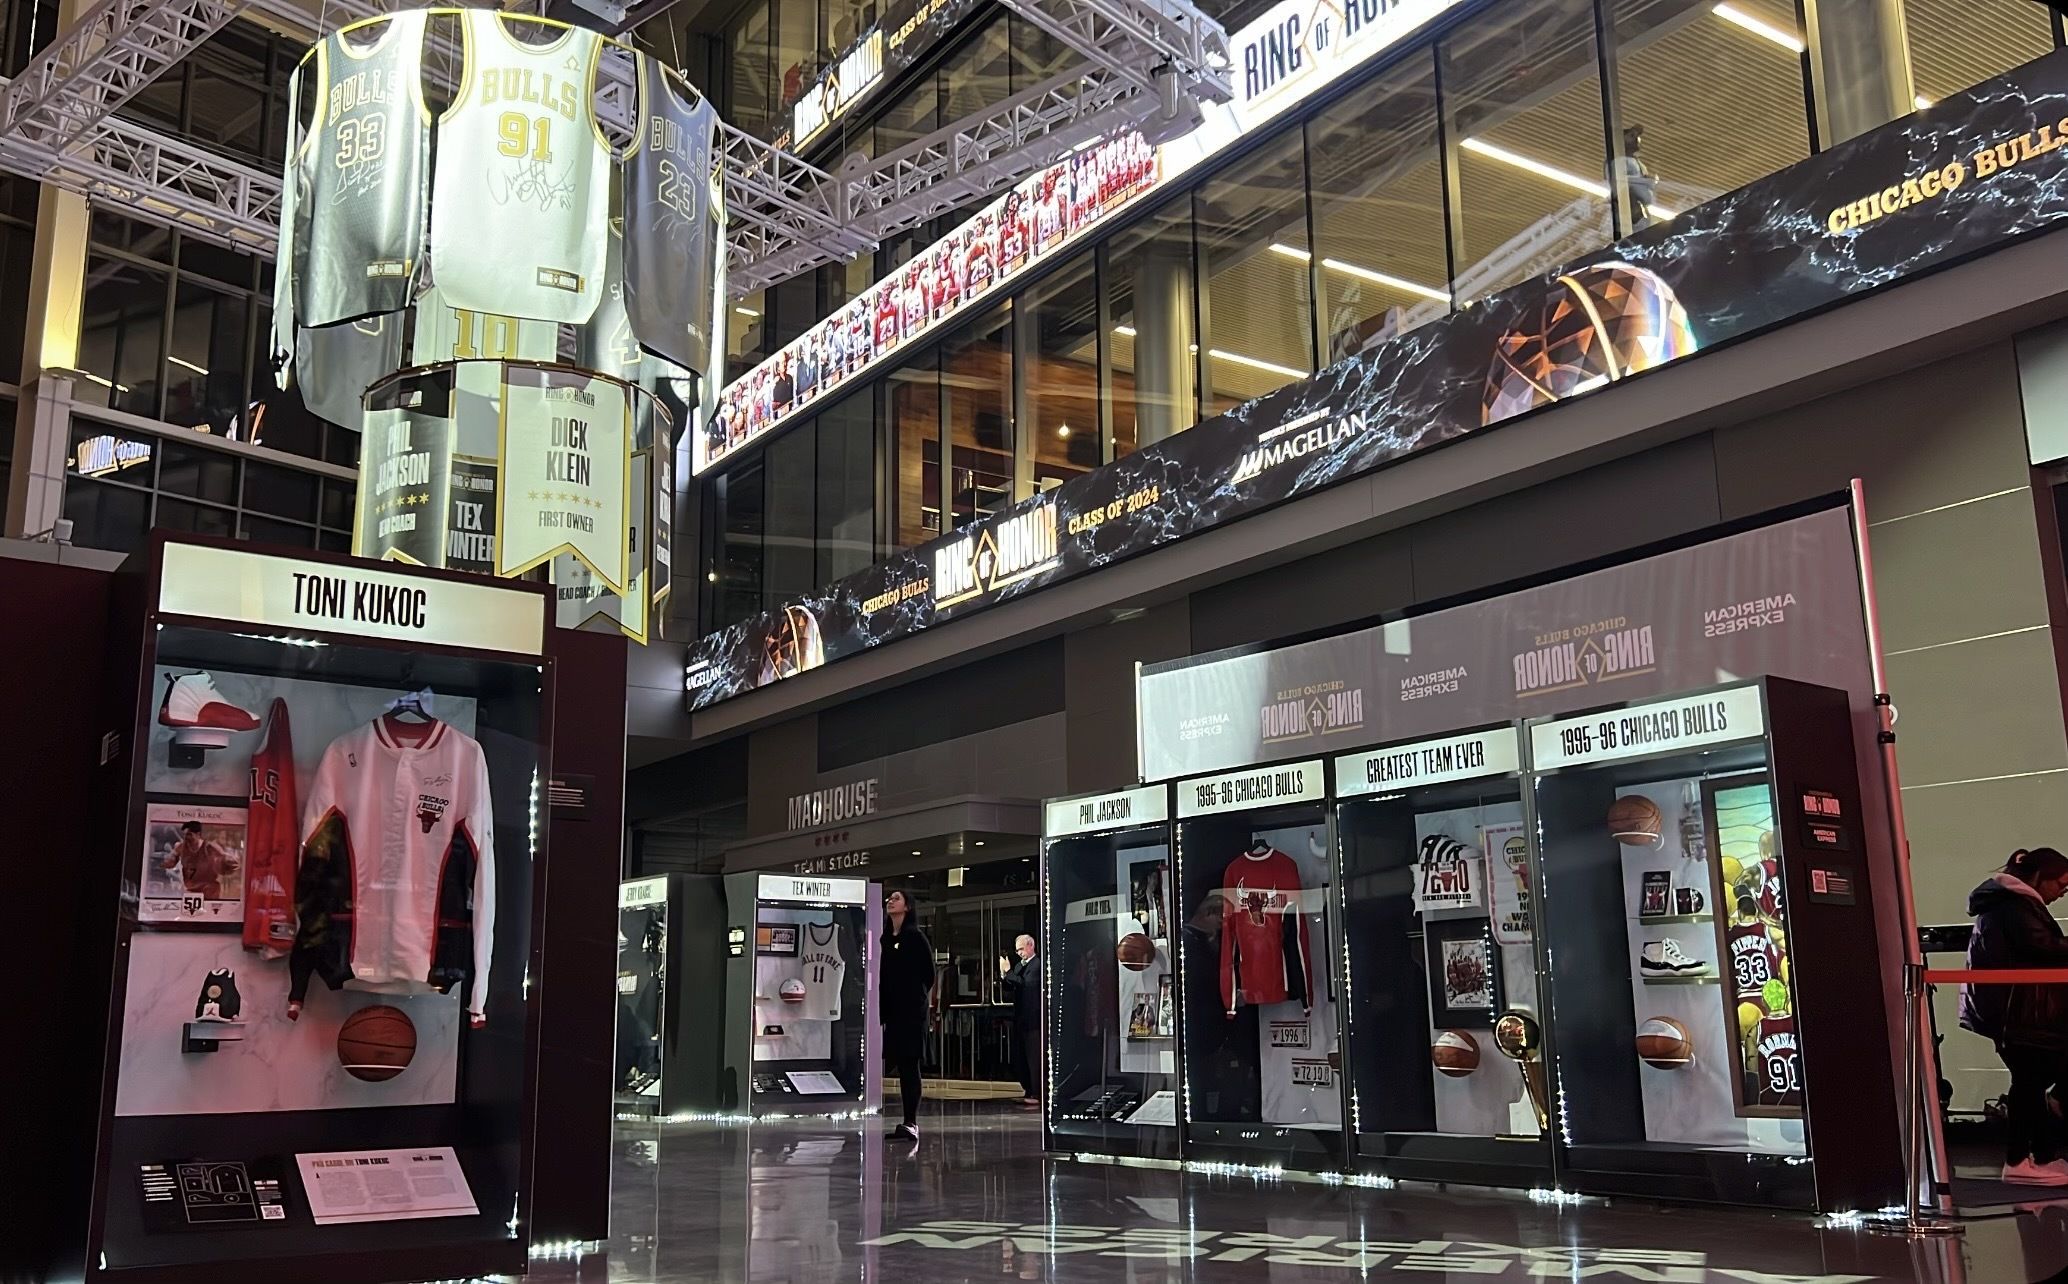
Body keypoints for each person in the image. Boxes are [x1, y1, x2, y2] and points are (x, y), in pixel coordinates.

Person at [1961, 846, 2068, 1185]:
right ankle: (2020, 1160)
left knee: (2031, 1081)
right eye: (2061, 885)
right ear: (2039, 877)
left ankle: (2040, 1156)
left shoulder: (2008, 902)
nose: (2062, 893)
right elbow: (2044, 949)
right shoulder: (2013, 905)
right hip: (2017, 1014)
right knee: (2029, 1082)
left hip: (2015, 1013)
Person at [880, 889, 934, 1140]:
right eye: (889, 898)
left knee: (910, 1064)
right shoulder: (886, 939)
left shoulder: (915, 937)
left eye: (896, 898)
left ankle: (911, 1122)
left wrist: (915, 999)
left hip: (912, 1011)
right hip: (894, 1011)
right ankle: (906, 1122)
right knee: (901, 1064)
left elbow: (929, 974)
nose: (890, 901)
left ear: (908, 906)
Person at [999, 934, 1042, 1106]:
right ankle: (1028, 1088)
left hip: (1032, 1020)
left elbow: (1027, 985)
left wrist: (1009, 972)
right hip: (1020, 1019)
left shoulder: (1037, 965)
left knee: (1033, 1057)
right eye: (1017, 950)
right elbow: (1012, 985)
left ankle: (1037, 1091)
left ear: (1031, 946)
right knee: (1021, 1057)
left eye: (1021, 949)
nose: (1019, 953)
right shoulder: (1019, 966)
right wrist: (1005, 974)